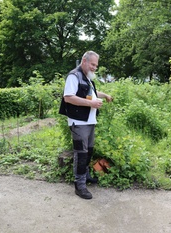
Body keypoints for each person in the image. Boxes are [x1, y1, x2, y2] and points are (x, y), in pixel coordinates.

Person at [61, 51, 113, 199]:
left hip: (89, 121)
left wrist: (105, 96)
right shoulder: (74, 76)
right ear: (84, 61)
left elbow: (92, 92)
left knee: (88, 151)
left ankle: (86, 175)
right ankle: (79, 185)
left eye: (96, 65)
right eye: (92, 64)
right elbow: (68, 98)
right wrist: (91, 103)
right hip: (79, 122)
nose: (95, 67)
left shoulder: (87, 78)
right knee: (81, 153)